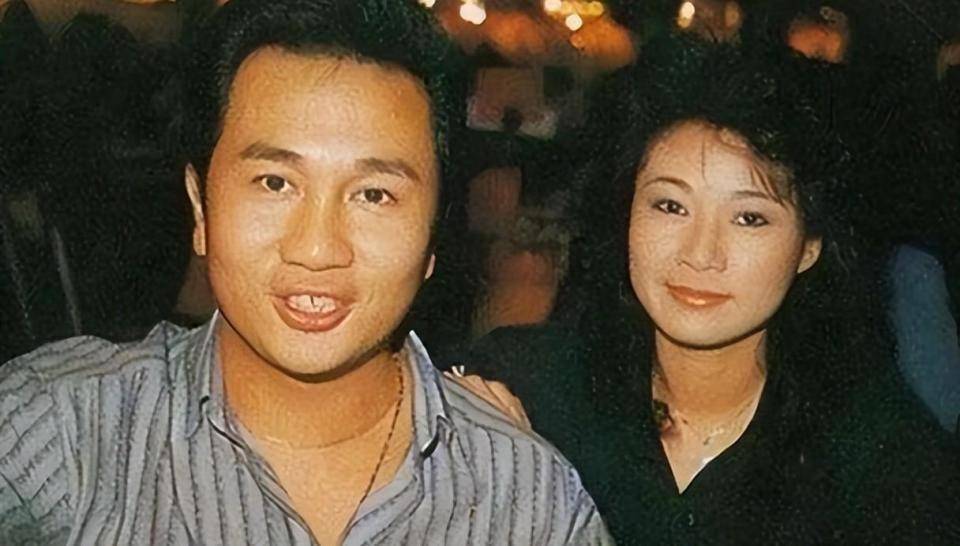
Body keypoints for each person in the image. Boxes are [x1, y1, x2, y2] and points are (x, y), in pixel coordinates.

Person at [0, 1, 611, 544]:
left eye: (373, 194)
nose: (317, 249)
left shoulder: (527, 500)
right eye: (275, 182)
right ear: (200, 208)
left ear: (433, 233)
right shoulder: (61, 430)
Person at [460, 36, 960, 543]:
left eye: (749, 218)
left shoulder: (880, 458)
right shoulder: (524, 387)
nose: (700, 254)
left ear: (809, 246)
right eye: (670, 206)